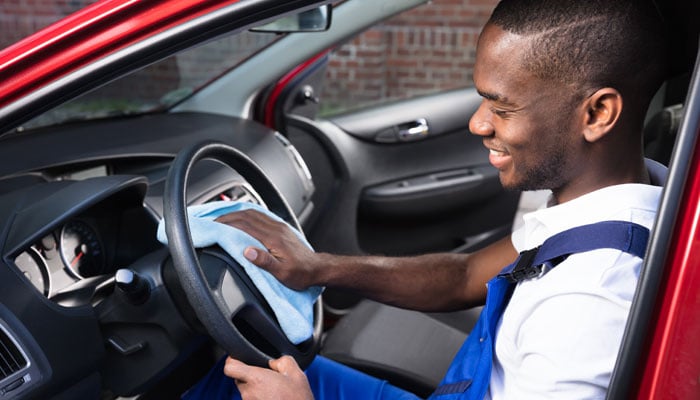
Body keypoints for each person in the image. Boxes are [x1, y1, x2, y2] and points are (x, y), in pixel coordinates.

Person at [183, 0, 669, 398]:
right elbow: (464, 277)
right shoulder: (620, 197)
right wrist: (319, 268)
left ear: (599, 113)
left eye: (502, 106)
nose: (478, 123)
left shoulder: (591, 299)